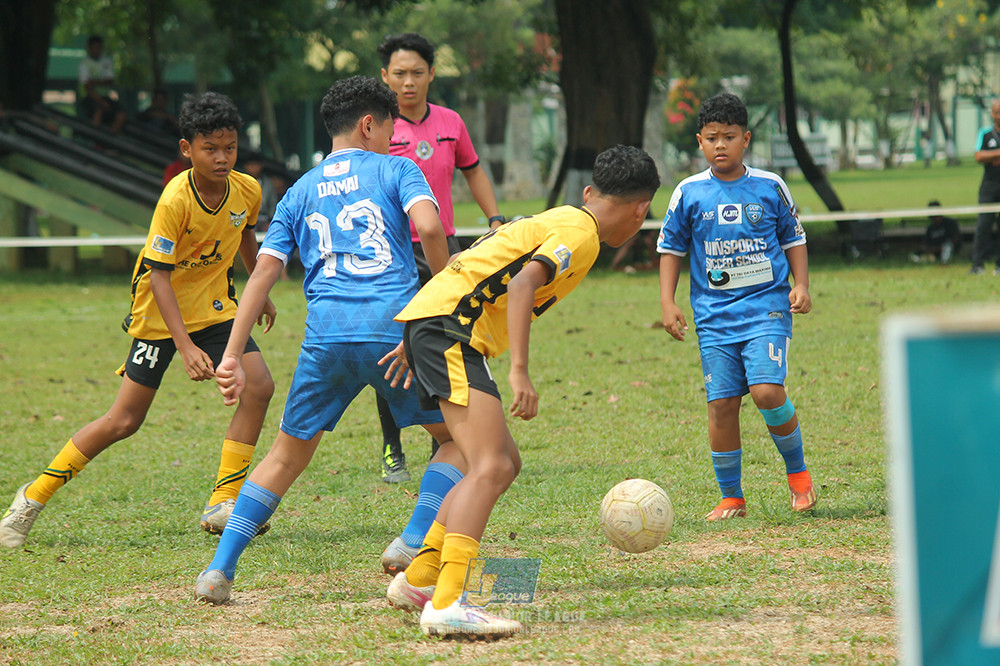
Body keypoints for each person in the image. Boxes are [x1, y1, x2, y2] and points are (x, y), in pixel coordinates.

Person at [194, 75, 469, 605]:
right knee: (458, 441)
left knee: (286, 455)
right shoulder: (398, 167)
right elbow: (432, 231)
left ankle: (218, 571)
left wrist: (231, 354)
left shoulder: (300, 189)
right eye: (389, 130)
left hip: (326, 339)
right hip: (395, 334)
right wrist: (444, 298)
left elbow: (262, 274)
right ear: (370, 124)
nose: (392, 140)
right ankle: (412, 542)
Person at [383, 145, 660, 638]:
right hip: (452, 331)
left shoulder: (561, 216)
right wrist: (520, 371)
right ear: (641, 211)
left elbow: (479, 253)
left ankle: (423, 578)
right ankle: (448, 602)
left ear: (590, 191)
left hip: (440, 324)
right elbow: (523, 284)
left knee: (501, 461)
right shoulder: (582, 235)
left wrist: (420, 324)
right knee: (489, 465)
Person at [0, 92, 277, 548]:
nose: (222, 158)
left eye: (229, 148)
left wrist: (257, 291)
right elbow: (159, 278)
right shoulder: (175, 200)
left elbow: (244, 234)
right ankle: (32, 496)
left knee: (260, 386)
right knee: (124, 420)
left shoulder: (246, 189)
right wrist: (184, 346)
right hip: (159, 317)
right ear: (187, 149)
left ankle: (223, 501)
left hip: (214, 309)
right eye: (211, 149)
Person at [657, 92, 817, 523]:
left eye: (730, 137)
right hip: (714, 318)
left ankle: (799, 478)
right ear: (700, 141)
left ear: (746, 139)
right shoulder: (688, 193)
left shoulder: (769, 186)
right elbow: (671, 248)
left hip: (766, 307)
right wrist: (668, 301)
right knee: (722, 405)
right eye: (712, 138)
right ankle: (732, 497)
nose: (721, 145)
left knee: (767, 391)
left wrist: (800, 284)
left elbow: (794, 238)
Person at [374, 32, 506, 483]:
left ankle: (444, 441)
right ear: (384, 77)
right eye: (398, 74)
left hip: (443, 249)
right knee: (396, 343)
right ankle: (392, 447)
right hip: (392, 250)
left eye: (416, 72)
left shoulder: (450, 122)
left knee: (442, 340)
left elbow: (473, 170)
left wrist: (495, 217)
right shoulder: (378, 128)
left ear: (431, 73)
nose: (407, 82)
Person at [971, 99, 1000, 274]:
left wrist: (992, 157)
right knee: (983, 225)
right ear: (992, 114)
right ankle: (978, 265)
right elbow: (978, 156)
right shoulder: (985, 133)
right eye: (997, 112)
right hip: (989, 185)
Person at [78, 35, 128, 134]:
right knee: (98, 112)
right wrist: (100, 101)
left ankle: (111, 138)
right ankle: (97, 140)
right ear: (89, 48)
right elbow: (88, 87)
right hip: (90, 98)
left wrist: (93, 81)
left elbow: (110, 80)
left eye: (99, 48)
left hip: (105, 97)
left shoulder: (106, 61)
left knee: (121, 114)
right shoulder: (84, 64)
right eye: (94, 47)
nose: (97, 50)